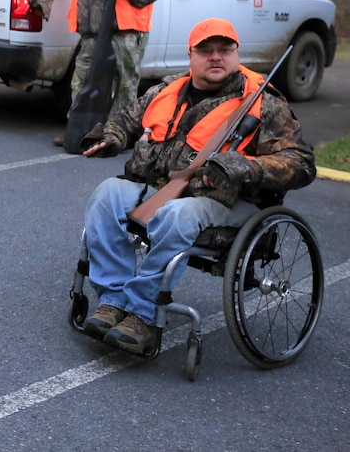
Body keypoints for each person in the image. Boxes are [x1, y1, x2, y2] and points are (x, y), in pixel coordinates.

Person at [79, 18, 315, 354]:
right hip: (163, 190)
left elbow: (301, 164)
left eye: (224, 49)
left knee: (179, 215)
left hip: (230, 205)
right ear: (191, 55)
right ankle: (113, 300)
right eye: (205, 50)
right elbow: (126, 117)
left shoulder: (265, 102)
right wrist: (112, 136)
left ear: (236, 53)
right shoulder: (165, 91)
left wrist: (245, 167)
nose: (215, 57)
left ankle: (143, 315)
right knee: (106, 195)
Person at [7, 0, 159, 143]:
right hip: (91, 38)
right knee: (80, 83)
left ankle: (118, 135)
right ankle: (77, 131)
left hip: (124, 37)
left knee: (124, 86)